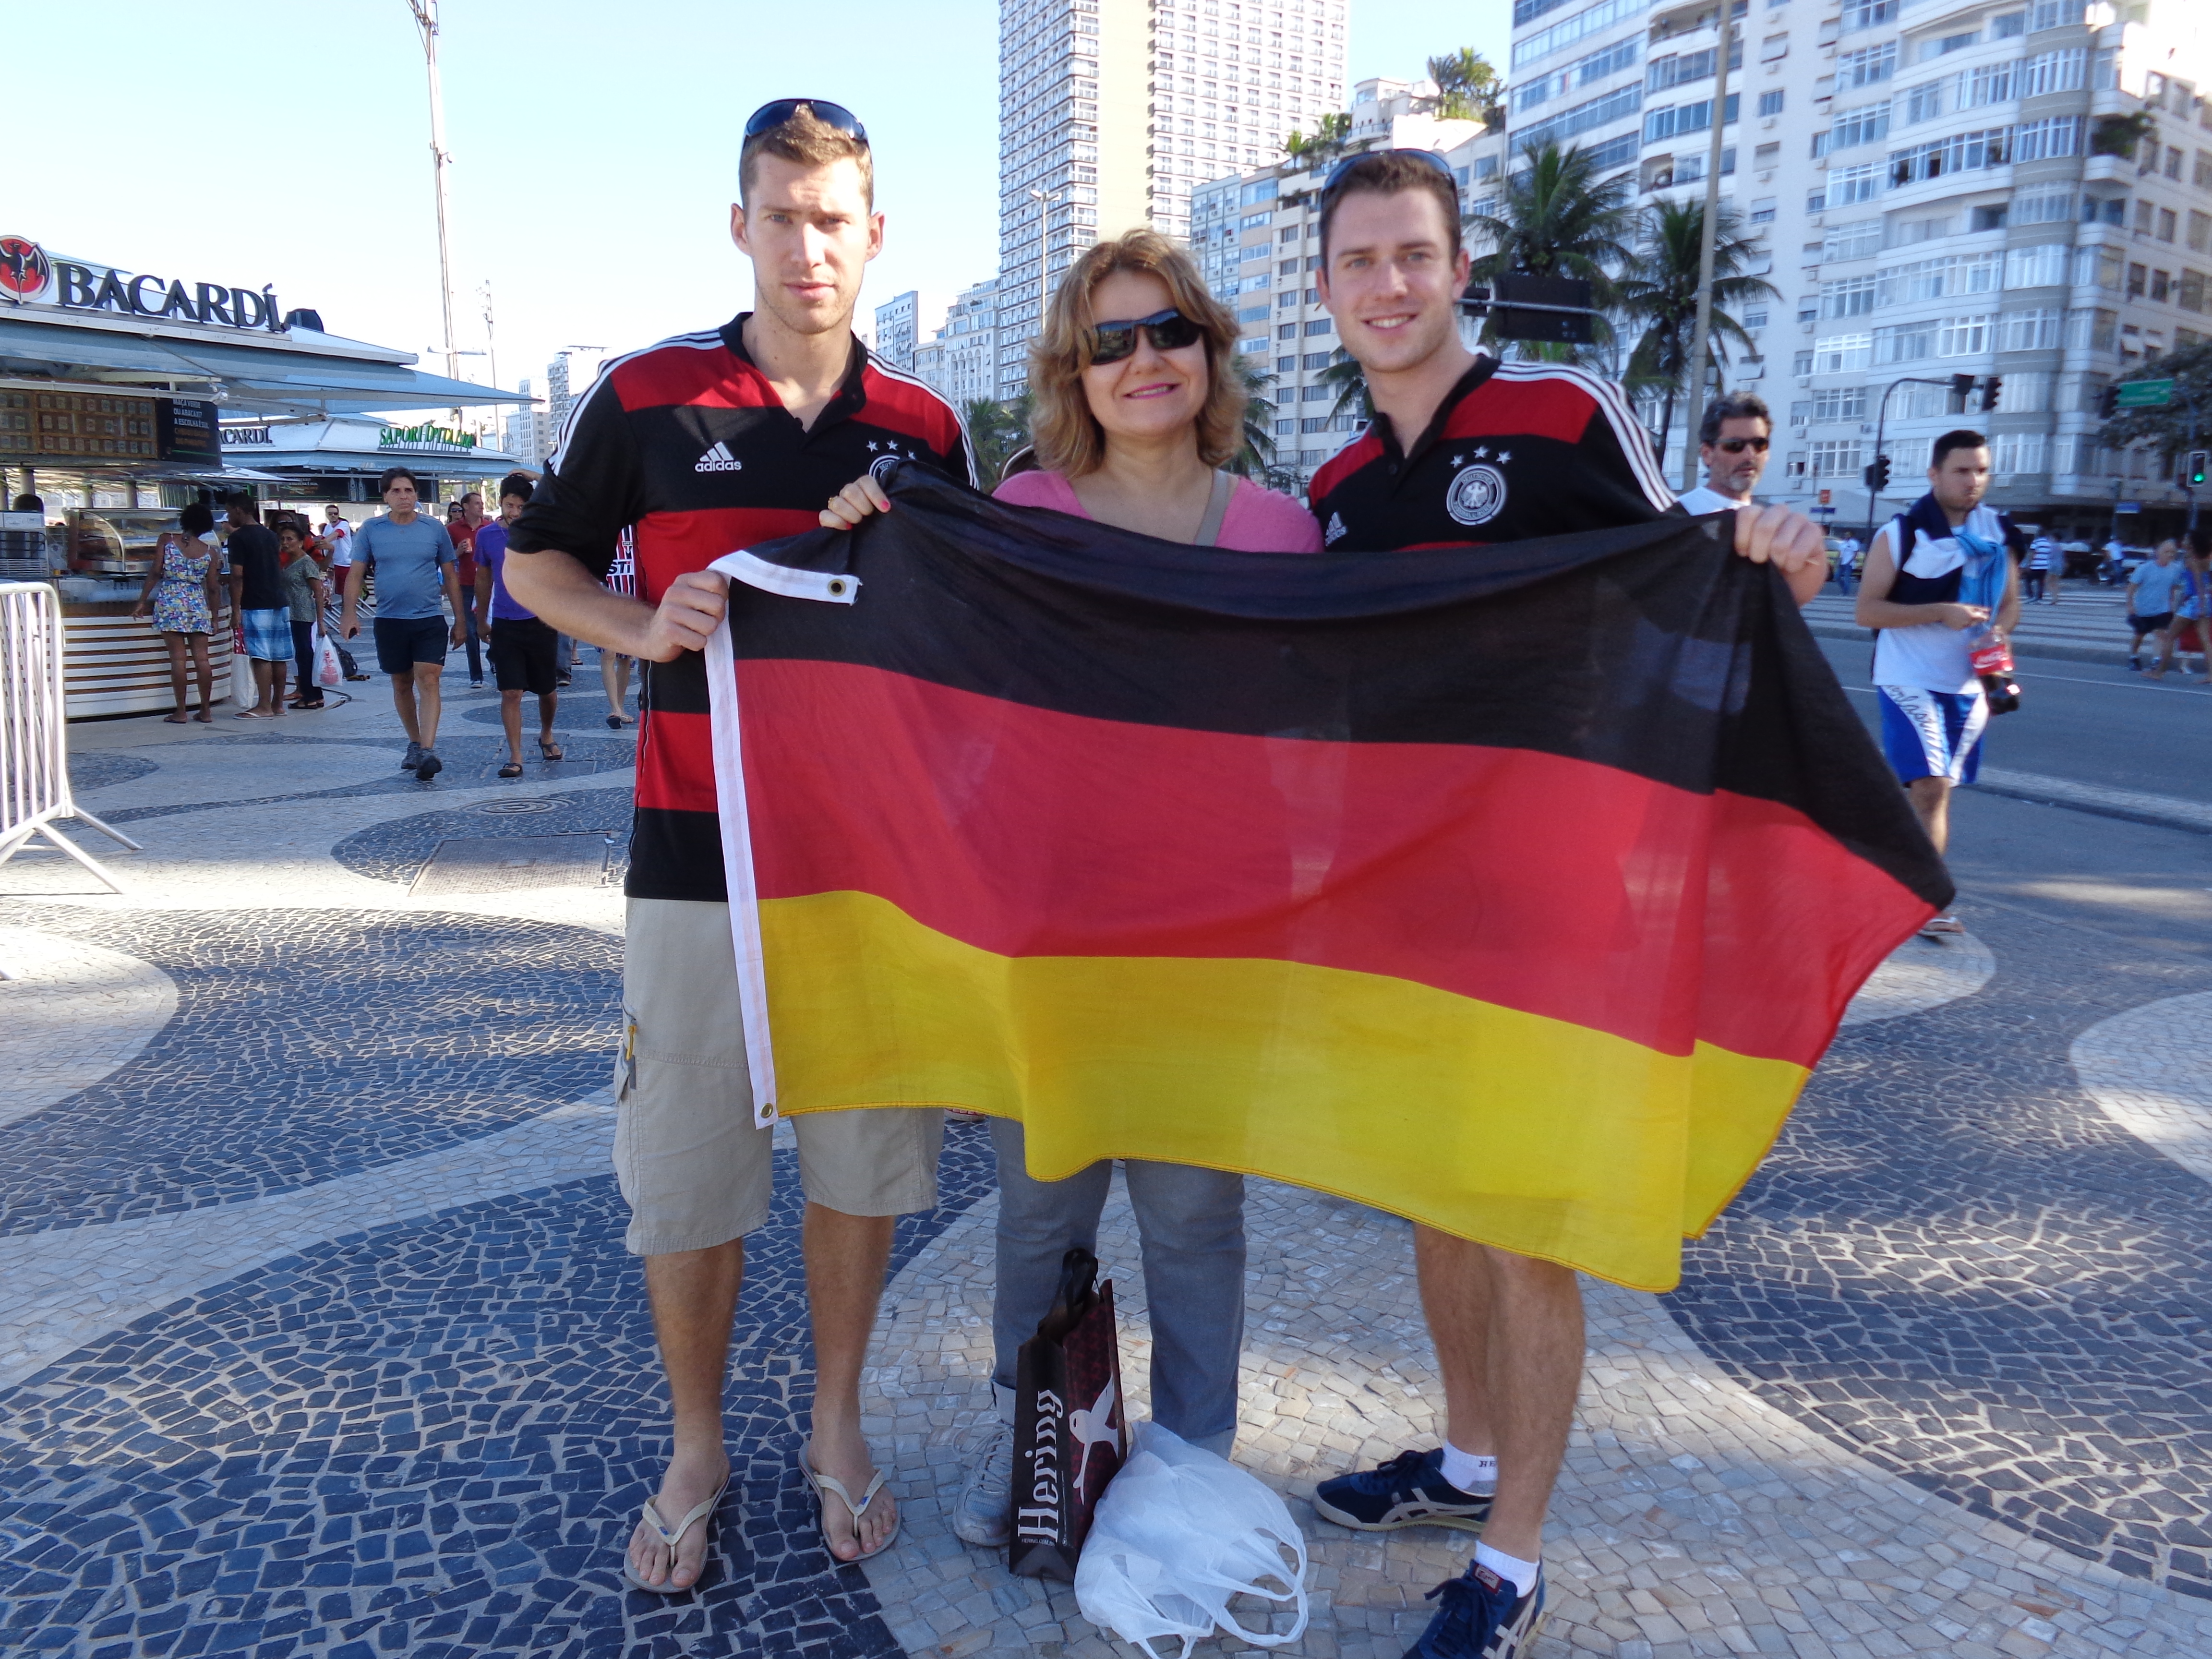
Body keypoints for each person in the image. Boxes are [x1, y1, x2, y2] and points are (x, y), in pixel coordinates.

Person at [1293, 148, 1826, 1659]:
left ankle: (1509, 1568)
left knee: (1526, 1227)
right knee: (1439, 1199)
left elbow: (1689, 560)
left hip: (1548, 904)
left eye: (1414, 255)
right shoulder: (1333, 490)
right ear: (1329, 290)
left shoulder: (1561, 412)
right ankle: (1463, 1468)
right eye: (1360, 261)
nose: (1388, 285)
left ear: (1461, 271)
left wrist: (1777, 543)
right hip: (1399, 908)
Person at [499, 99, 975, 1589]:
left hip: (867, 868)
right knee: (690, 1173)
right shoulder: (650, 395)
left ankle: (836, 1427)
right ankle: (696, 1443)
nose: (809, 243)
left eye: (835, 219)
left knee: (858, 1164)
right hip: (696, 854)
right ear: (741, 225)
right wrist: (644, 624)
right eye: (782, 213)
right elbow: (534, 562)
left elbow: (967, 637)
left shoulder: (927, 429)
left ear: (874, 235)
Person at [819, 227, 1322, 1551]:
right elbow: (933, 679)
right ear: (1073, 371)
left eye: (1169, 332)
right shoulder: (1023, 517)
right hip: (1048, 938)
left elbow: (1339, 727)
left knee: (1195, 1219)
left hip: (1216, 942)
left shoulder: (1281, 531)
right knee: (1043, 1215)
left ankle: (1193, 1472)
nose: (1142, 360)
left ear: (1210, 354)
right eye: (1111, 341)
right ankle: (1041, 1448)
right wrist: (882, 528)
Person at [1853, 430, 2022, 935]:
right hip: (1908, 675)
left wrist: (1998, 633)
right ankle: (1927, 901)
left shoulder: (1999, 531)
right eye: (1962, 470)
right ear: (1934, 474)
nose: (1974, 481)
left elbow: (2010, 603)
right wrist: (1939, 612)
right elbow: (1867, 612)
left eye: (1982, 471)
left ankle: (1897, 879)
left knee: (1938, 792)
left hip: (1971, 682)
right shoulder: (1901, 533)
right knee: (1928, 787)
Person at [340, 465, 465, 780]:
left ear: (416, 495)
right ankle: (414, 742)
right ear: (385, 496)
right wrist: (349, 613)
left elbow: (450, 575)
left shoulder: (434, 529)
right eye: (396, 491)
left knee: (430, 679)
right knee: (401, 683)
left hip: (429, 618)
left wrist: (461, 619)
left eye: (408, 490)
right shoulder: (371, 530)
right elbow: (355, 574)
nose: (403, 496)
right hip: (389, 619)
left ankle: (428, 750)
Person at [474, 472, 561, 776]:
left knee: (547, 690)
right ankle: (515, 755)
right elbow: (483, 579)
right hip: (505, 623)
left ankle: (547, 735)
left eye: (521, 507)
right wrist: (480, 618)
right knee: (511, 692)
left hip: (541, 620)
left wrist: (538, 476)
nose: (514, 513)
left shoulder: (544, 531)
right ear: (501, 503)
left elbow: (564, 490)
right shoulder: (486, 536)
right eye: (509, 505)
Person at [131, 500, 227, 723]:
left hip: (170, 600)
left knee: (178, 659)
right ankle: (206, 710)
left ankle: (181, 711)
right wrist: (214, 617)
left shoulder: (167, 541)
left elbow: (155, 572)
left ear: (184, 520)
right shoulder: (210, 552)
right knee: (202, 659)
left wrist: (142, 601)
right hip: (197, 603)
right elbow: (213, 588)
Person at [224, 496, 292, 719]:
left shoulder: (238, 538)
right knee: (279, 655)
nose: (229, 517)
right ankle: (277, 704)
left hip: (255, 601)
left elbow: (237, 576)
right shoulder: (270, 536)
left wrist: (236, 610)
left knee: (261, 655)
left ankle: (263, 706)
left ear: (238, 509)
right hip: (278, 599)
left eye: (229, 512)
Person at [1674, 392, 1771, 517]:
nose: (1749, 455)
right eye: (1735, 445)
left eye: (1759, 444)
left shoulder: (1772, 521)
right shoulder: (1679, 517)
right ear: (1707, 454)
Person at [277, 521, 330, 710]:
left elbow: (318, 592)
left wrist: (321, 621)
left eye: (290, 539)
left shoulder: (306, 563)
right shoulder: (289, 562)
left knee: (305, 655)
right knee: (302, 655)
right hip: (291, 613)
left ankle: (310, 696)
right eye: (283, 539)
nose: (285, 542)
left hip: (303, 614)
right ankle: (314, 695)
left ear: (301, 542)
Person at [321, 505, 371, 680]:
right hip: (336, 564)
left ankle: (349, 618)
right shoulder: (328, 527)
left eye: (335, 513)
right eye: (331, 514)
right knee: (338, 594)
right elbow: (327, 539)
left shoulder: (342, 525)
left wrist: (321, 542)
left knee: (346, 594)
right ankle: (347, 619)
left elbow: (335, 537)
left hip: (346, 563)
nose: (333, 516)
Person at [2127, 539, 2187, 677]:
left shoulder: (2175, 569)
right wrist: (2130, 604)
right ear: (2158, 552)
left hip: (2163, 609)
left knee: (2161, 634)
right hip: (2144, 607)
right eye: (2167, 552)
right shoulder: (2145, 568)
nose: (2170, 555)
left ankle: (2156, 660)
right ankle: (2134, 656)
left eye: (2173, 552)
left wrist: (2172, 605)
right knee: (2139, 635)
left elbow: (2173, 587)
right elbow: (2132, 587)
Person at [450, 490, 489, 686]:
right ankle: (476, 675)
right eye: (476, 503)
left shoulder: (489, 527)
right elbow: (445, 560)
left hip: (490, 586)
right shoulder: (453, 530)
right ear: (465, 507)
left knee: (494, 627)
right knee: (471, 631)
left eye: (482, 503)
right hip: (466, 586)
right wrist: (458, 552)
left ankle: (495, 658)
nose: (481, 506)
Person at [601, 532, 638, 727]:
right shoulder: (599, 527)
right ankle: (614, 708)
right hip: (605, 602)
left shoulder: (635, 529)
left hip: (630, 601)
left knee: (626, 657)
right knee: (609, 653)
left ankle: (621, 706)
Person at [2026, 529, 2058, 604]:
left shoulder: (2036, 542)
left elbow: (2032, 554)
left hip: (2035, 566)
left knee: (2028, 581)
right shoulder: (2049, 544)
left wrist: (2029, 564)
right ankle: (2039, 597)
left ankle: (2031, 596)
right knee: (2041, 582)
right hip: (2045, 566)